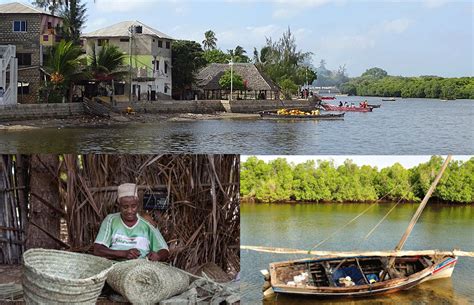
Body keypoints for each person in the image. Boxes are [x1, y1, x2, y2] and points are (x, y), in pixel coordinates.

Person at [93, 183, 169, 262]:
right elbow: (98, 250)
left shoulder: (147, 223)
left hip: (141, 268)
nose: (129, 211)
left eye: (133, 206)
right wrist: (124, 254)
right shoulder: (111, 220)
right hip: (114, 267)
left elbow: (165, 250)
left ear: (138, 204)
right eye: (125, 207)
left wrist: (158, 256)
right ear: (119, 205)